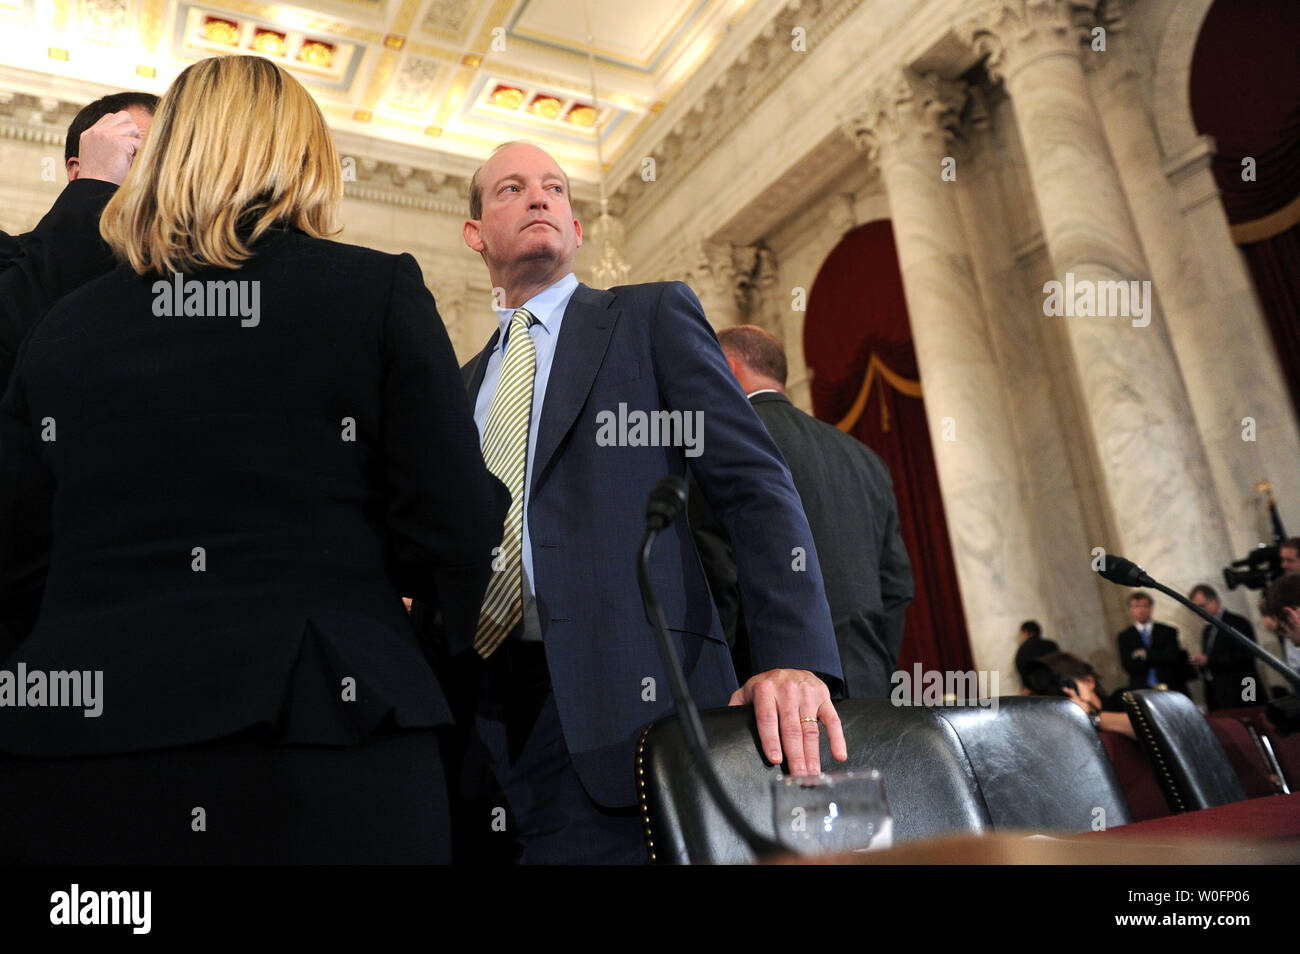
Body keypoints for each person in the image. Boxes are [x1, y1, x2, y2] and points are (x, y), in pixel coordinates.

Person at [0, 55, 507, 863]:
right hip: (328, 742)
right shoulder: (371, 291)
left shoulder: (59, 331)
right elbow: (456, 527)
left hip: (81, 755)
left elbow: (17, 554)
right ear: (302, 159)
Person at [428, 140, 845, 864]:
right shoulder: (459, 389)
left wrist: (792, 657)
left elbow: (755, 486)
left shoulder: (649, 317)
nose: (539, 198)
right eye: (512, 189)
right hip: (485, 727)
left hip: (638, 714)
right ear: (475, 235)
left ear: (577, 229)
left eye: (555, 189)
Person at [689, 324, 912, 697]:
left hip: (773, 700)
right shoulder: (864, 457)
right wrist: (874, 665)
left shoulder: (717, 445)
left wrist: (714, 691)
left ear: (727, 367)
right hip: (872, 689)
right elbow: (897, 586)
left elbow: (719, 578)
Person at [0, 92, 157, 388]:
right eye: (136, 156)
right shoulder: (9, 261)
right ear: (79, 172)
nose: (155, 179)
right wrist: (95, 187)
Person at [1024, 652, 1136, 739]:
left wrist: (1091, 716)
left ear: (1089, 681)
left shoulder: (1125, 698)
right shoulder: (1060, 728)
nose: (1063, 694)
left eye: (1066, 684)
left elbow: (1148, 725)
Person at [1188, 583, 1260, 710]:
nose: (1199, 612)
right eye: (1195, 608)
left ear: (1214, 601)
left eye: (1201, 606)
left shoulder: (1236, 622)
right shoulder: (1207, 629)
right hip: (1220, 694)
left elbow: (1246, 656)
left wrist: (1209, 660)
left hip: (1244, 688)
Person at [1116, 591, 1192, 695]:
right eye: (1136, 606)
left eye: (1145, 606)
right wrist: (1158, 655)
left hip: (1171, 685)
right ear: (1130, 610)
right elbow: (1128, 665)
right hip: (1143, 688)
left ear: (1151, 608)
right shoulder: (1124, 636)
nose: (1141, 610)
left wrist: (1145, 654)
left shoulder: (1168, 631)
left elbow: (1172, 656)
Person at [1013, 619, 1059, 688]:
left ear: (1025, 632)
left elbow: (1022, 669)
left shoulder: (1023, 649)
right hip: (1055, 688)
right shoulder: (1051, 645)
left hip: (1035, 692)